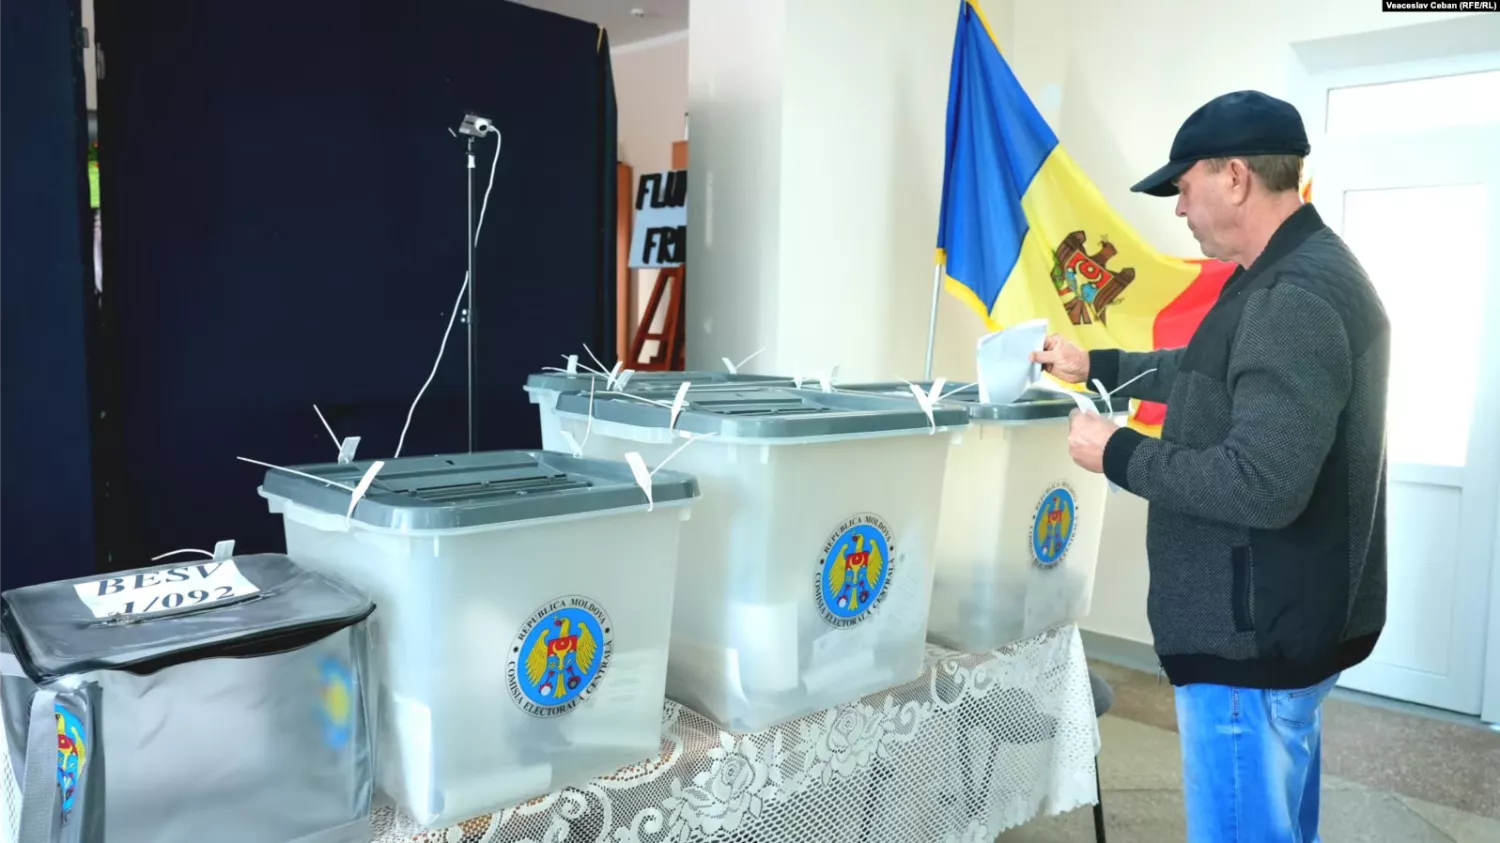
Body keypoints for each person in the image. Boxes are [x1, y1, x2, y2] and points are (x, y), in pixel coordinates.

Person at [1032, 90, 1390, 842]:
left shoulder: (1292, 296)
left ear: (1234, 176)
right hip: (1280, 624)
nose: (1178, 207)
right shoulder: (1289, 271)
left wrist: (1115, 451)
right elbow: (1207, 372)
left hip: (1248, 644)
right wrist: (1094, 364)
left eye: (1183, 185)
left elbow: (1260, 484)